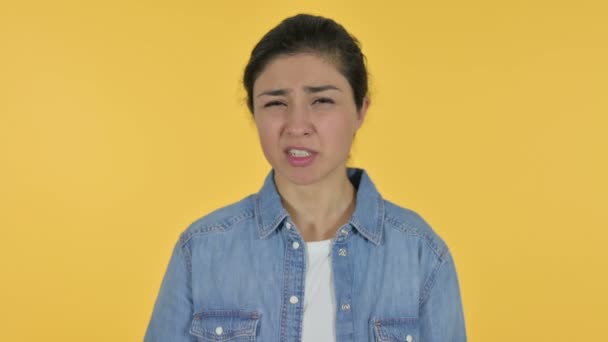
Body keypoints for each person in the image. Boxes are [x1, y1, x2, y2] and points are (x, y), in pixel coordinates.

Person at [145, 13, 466, 342]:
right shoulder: (201, 250)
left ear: (361, 110)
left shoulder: (421, 254)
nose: (297, 125)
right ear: (253, 113)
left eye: (322, 100)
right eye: (275, 103)